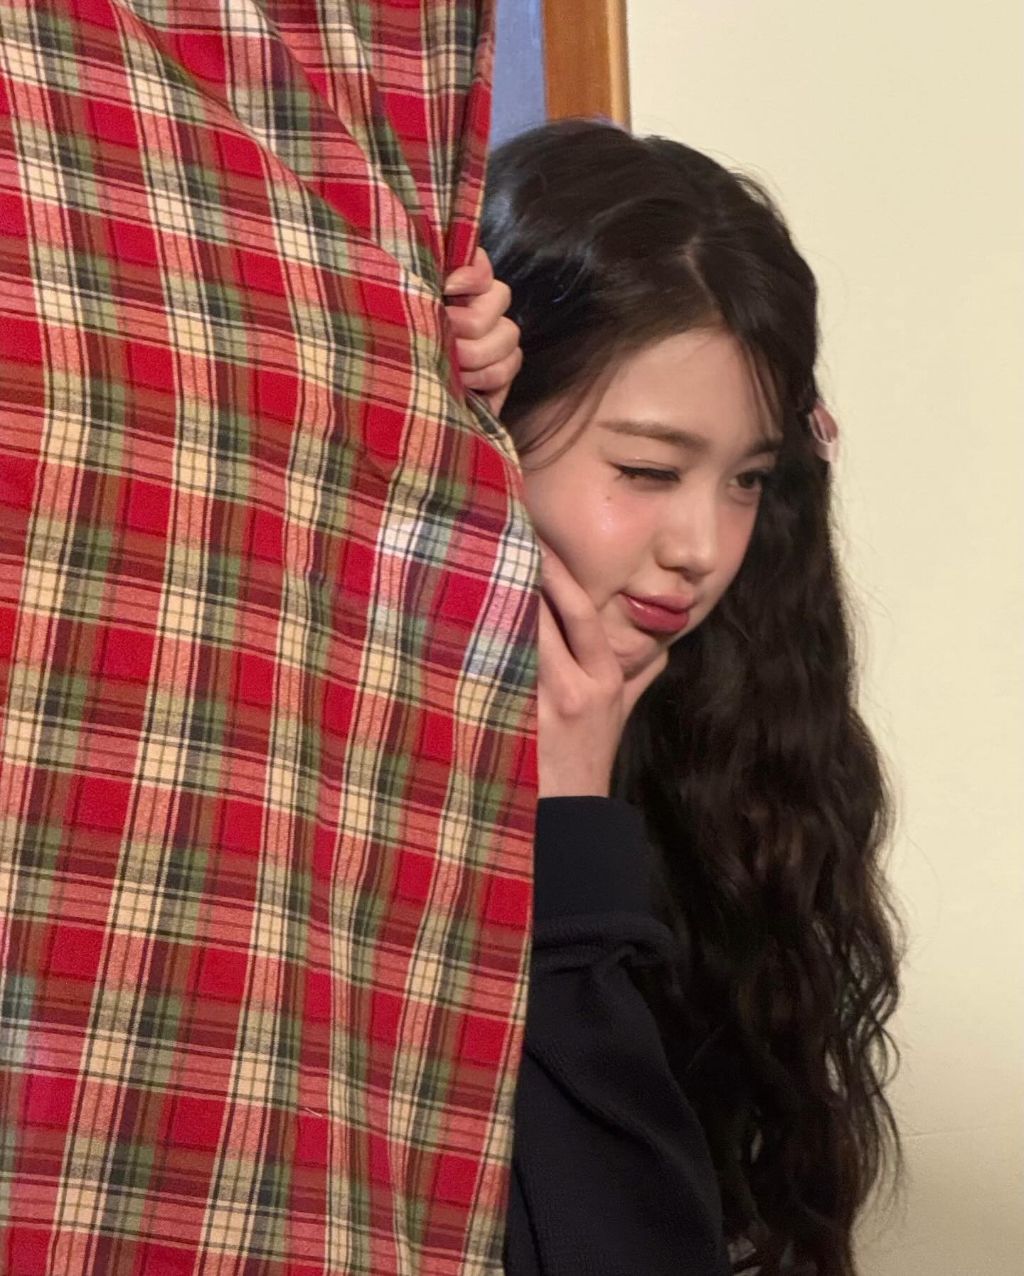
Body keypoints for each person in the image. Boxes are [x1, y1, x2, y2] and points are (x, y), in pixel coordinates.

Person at [477, 120, 902, 1276]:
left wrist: (579, 815)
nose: (702, 548)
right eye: (648, 470)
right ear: (484, 422)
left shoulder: (714, 741)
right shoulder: (330, 741)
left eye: (747, 479)